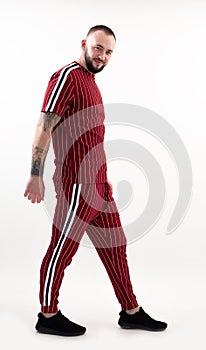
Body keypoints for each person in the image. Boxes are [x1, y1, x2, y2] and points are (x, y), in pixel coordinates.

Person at [24, 25, 168, 337]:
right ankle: (47, 315)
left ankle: (130, 311)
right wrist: (35, 175)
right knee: (62, 249)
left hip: (99, 185)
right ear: (84, 44)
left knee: (116, 247)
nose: (101, 56)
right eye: (97, 48)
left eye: (108, 52)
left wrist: (103, 177)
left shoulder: (90, 81)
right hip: (76, 184)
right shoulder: (67, 77)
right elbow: (43, 126)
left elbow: (90, 136)